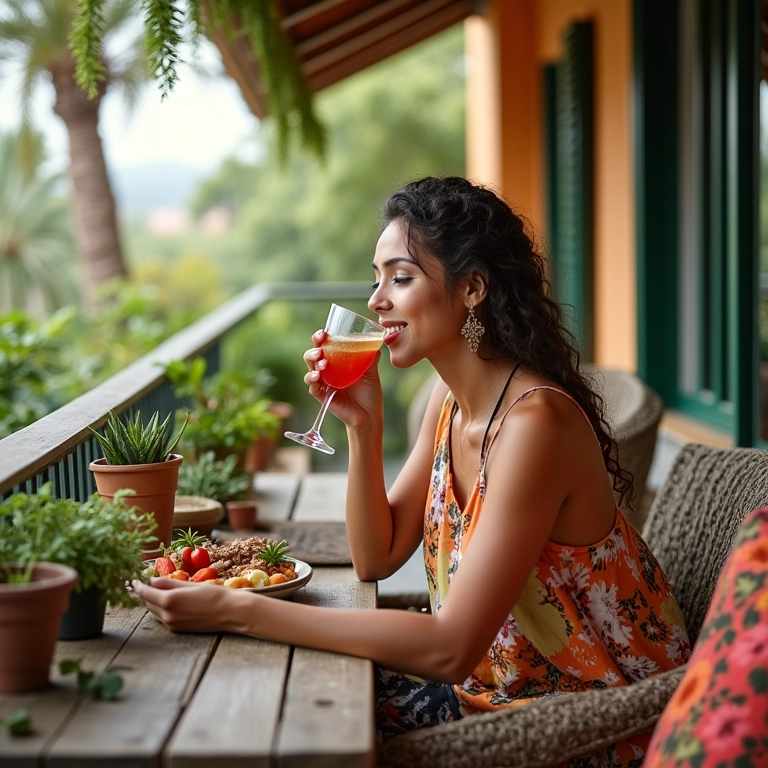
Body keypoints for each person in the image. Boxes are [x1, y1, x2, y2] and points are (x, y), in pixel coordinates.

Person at [133, 176, 690, 761]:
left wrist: (240, 609)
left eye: (400, 277)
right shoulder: (449, 405)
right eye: (376, 280)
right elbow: (377, 555)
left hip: (591, 729)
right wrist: (363, 428)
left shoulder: (534, 427)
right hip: (498, 699)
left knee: (290, 713)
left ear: (472, 288)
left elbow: (449, 649)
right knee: (286, 695)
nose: (375, 301)